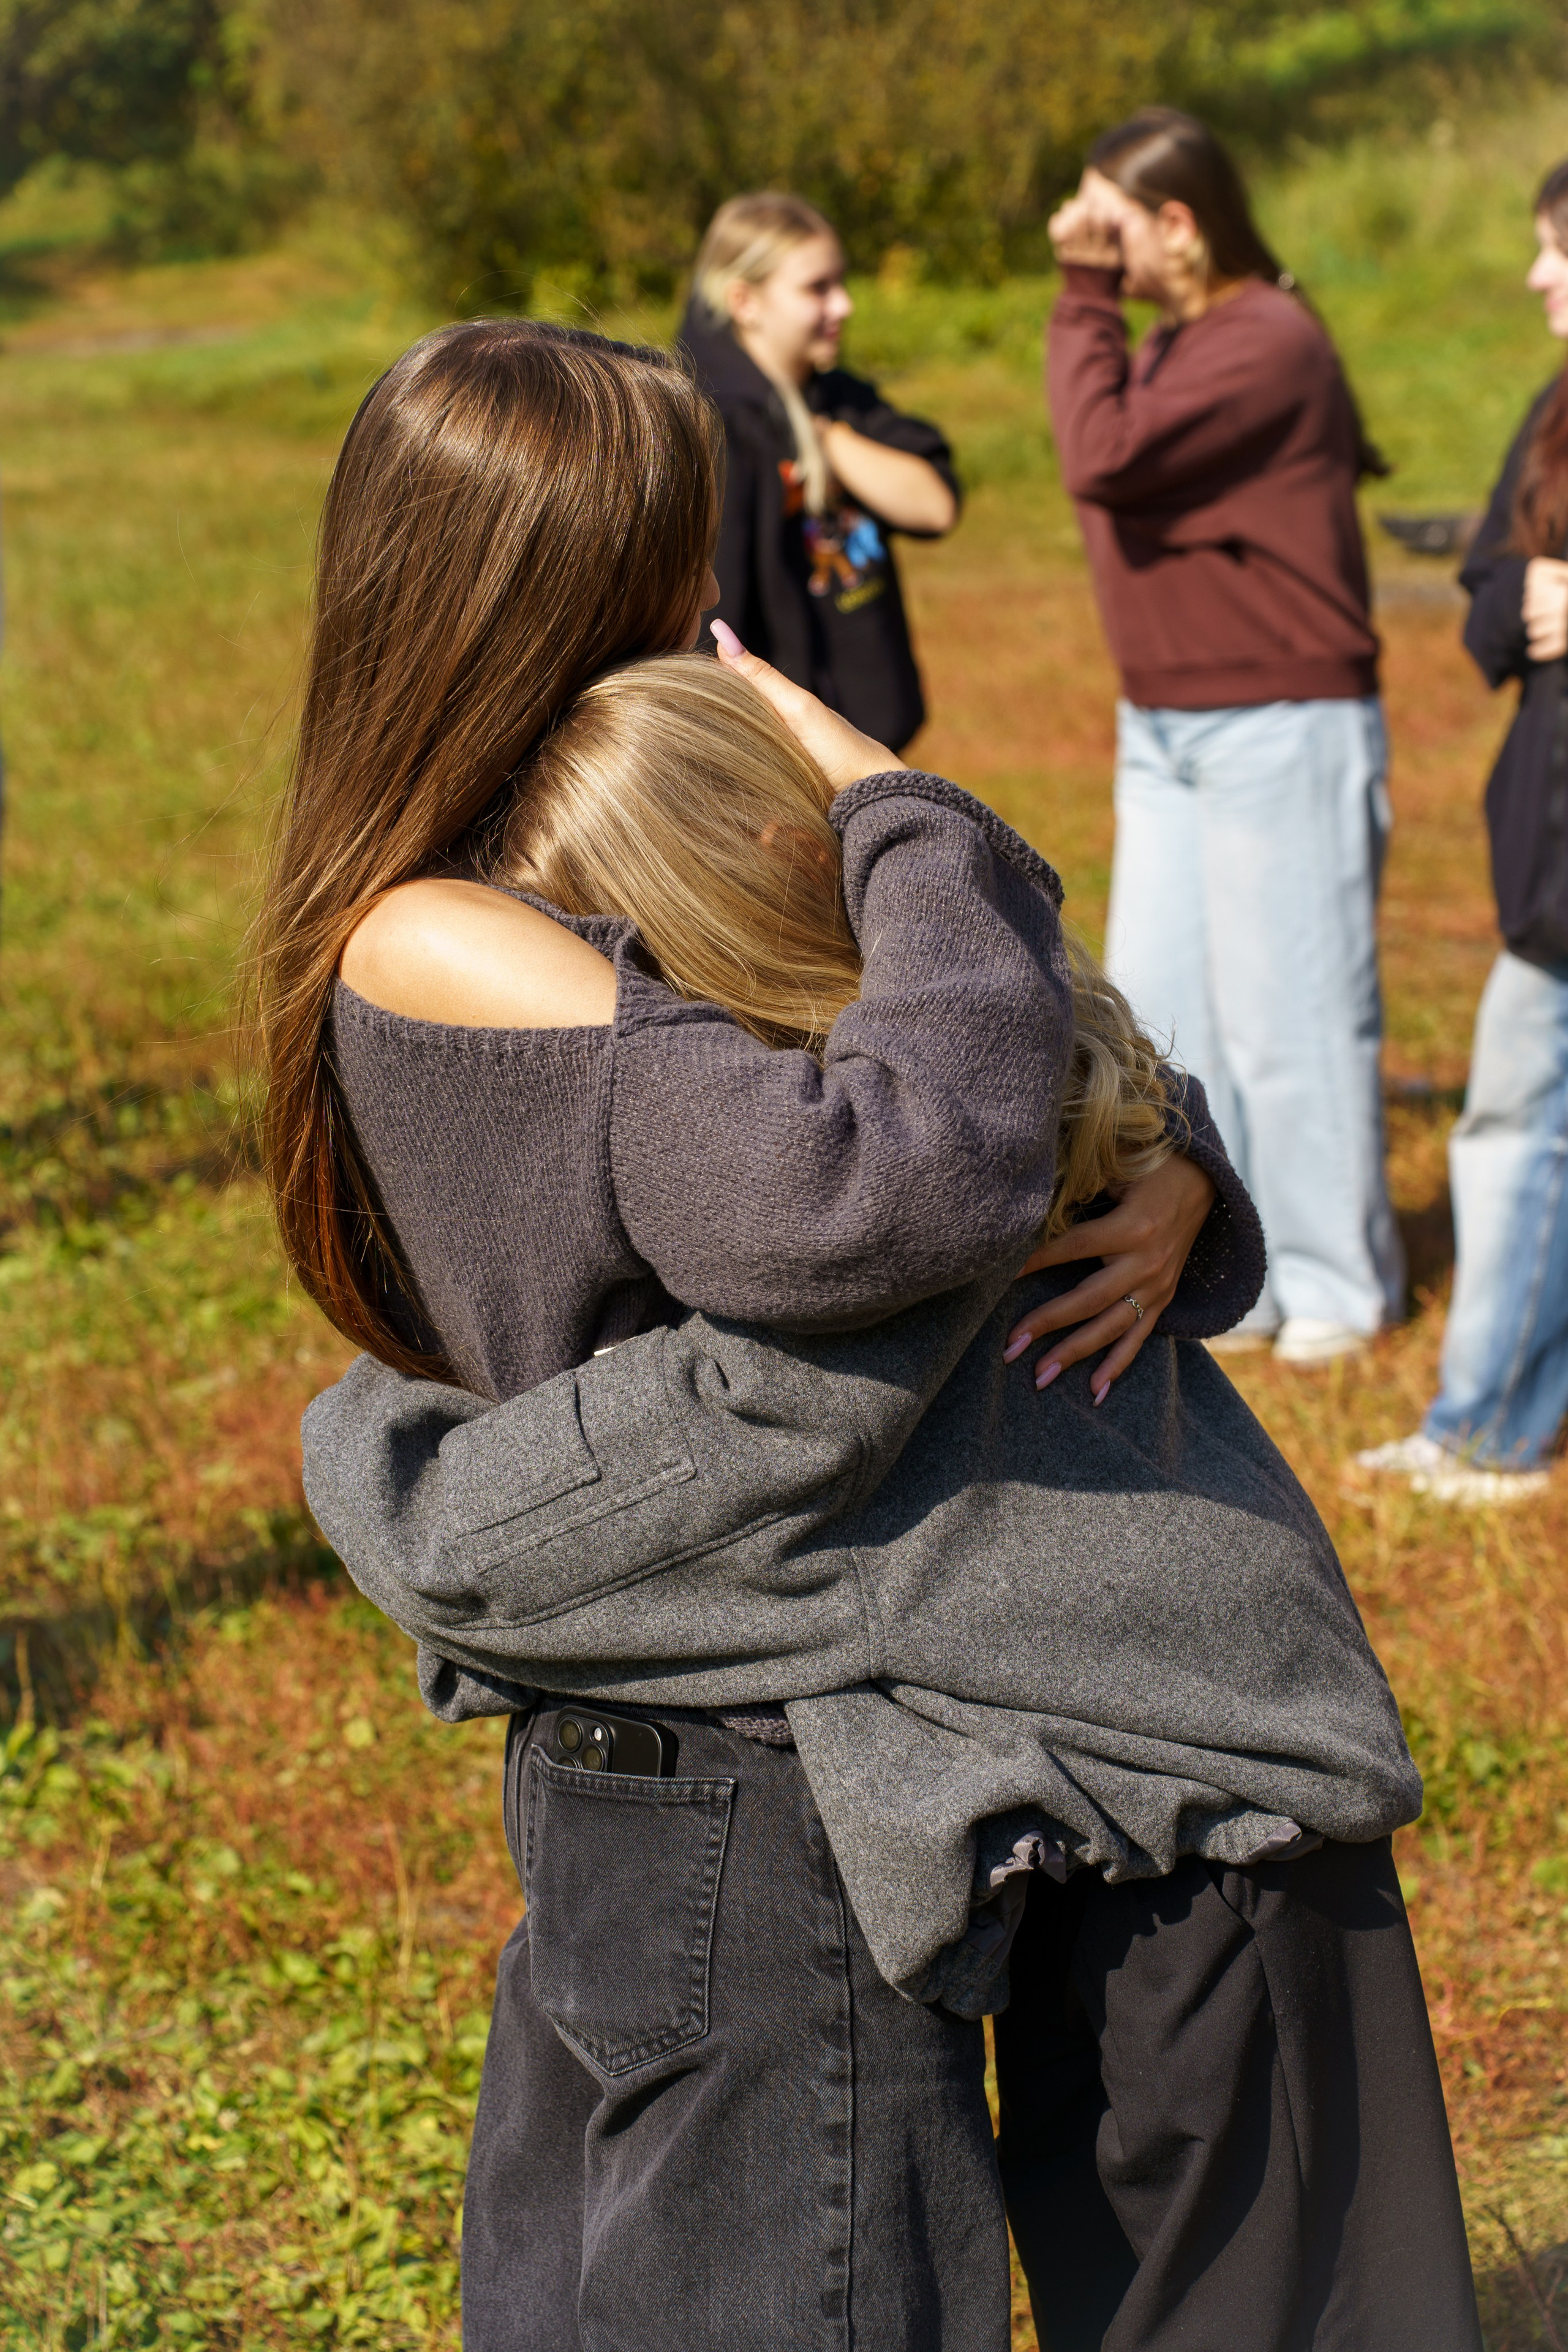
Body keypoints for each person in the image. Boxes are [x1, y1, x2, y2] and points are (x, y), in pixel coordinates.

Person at [259, 318, 1480, 2346]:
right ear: (548, 575)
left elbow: (1003, 1051)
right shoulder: (445, 928)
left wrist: (1150, 1158)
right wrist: (906, 804)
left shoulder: (599, 830)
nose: (709, 601)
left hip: (897, 1681)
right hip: (752, 1732)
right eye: (675, 550)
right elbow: (894, 1176)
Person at [1046, 107, 1406, 1366]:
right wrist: (1103, 298)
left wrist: (1079, 292)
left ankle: (1336, 1286)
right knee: (1167, 1017)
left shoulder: (1264, 338)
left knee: (1290, 1022)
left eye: (1106, 224)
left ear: (1176, 224)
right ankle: (1236, 1270)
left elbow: (1098, 456)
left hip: (1276, 723)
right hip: (1170, 728)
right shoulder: (1180, 343)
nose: (1083, 249)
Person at [1356, 160, 1568, 1503]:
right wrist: (1526, 588)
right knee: (1509, 1122)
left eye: (1558, 250)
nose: (1539, 276)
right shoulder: (1553, 413)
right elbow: (1486, 589)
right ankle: (1485, 1426)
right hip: (1549, 867)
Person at [679, 191, 958, 752]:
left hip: (866, 729)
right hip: (777, 752)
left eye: (841, 282)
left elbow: (934, 505)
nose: (845, 305)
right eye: (817, 288)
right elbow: (709, 614)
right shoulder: (709, 424)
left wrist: (824, 438)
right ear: (744, 301)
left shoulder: (836, 397)